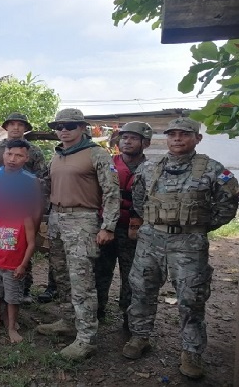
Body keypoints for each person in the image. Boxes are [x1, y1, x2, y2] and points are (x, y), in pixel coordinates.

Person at [122, 117, 238, 379]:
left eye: (184, 134)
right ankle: (140, 336)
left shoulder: (213, 169)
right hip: (151, 238)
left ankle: (191, 351)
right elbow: (139, 200)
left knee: (191, 298)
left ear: (197, 138)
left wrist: (198, 227)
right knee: (141, 288)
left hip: (189, 243)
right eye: (172, 134)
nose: (177, 138)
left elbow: (228, 205)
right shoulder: (149, 167)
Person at [35, 108, 120, 360]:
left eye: (70, 125)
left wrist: (108, 226)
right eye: (59, 126)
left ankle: (87, 339)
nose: (63, 130)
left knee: (82, 281)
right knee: (61, 276)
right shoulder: (57, 155)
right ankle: (68, 321)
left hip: (83, 220)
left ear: (82, 128)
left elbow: (112, 192)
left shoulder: (97, 154)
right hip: (57, 219)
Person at [0, 112, 48, 303]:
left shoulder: (34, 151)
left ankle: (21, 290)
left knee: (19, 251)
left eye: (20, 125)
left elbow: (40, 180)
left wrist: (34, 224)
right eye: (12, 124)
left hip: (21, 212)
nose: (16, 128)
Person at [94, 121, 152, 328]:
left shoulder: (152, 169)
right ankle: (97, 311)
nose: (127, 142)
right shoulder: (108, 163)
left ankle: (129, 318)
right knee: (100, 270)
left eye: (133, 138)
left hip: (135, 231)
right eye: (124, 137)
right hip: (106, 226)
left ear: (145, 143)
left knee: (132, 276)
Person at [0, 139, 42, 343]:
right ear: (3, 154)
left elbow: (36, 208)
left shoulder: (31, 180)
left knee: (13, 281)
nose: (12, 159)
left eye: (19, 155)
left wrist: (30, 235)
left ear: (26, 158)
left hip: (19, 235)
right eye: (9, 153)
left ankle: (12, 321)